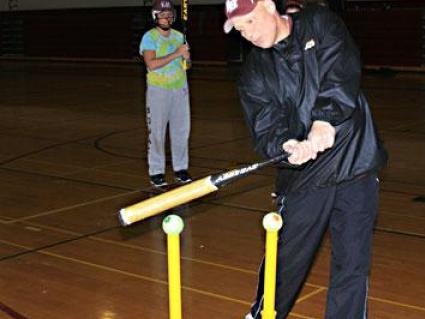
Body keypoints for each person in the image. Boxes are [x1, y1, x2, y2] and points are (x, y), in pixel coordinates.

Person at [223, 1, 388, 318]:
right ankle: (263, 315)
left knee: (352, 264)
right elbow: (265, 129)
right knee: (286, 261)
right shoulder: (253, 74)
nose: (249, 34)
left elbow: (342, 73)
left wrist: (324, 122)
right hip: (306, 176)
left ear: (270, 7)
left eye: (251, 22)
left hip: (355, 160)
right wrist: (286, 146)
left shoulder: (320, 24)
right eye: (240, 29)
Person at [139, 0, 192, 187]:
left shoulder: (180, 36)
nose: (166, 18)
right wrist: (177, 53)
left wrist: (186, 58)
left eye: (169, 14)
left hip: (180, 89)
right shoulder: (149, 37)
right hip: (158, 90)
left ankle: (181, 169)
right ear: (155, 17)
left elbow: (187, 65)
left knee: (181, 132)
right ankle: (157, 172)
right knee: (157, 133)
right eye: (162, 14)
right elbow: (151, 64)